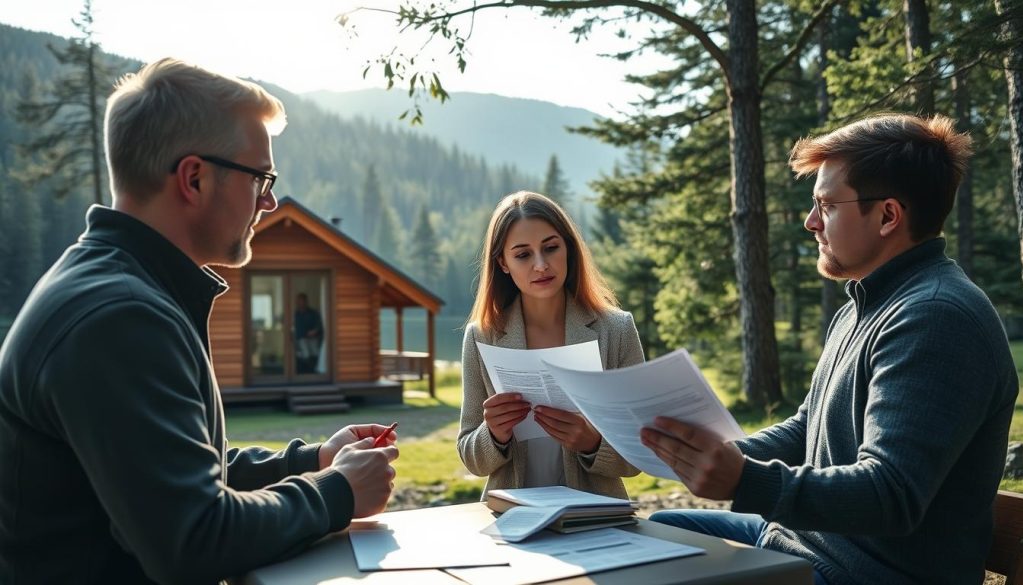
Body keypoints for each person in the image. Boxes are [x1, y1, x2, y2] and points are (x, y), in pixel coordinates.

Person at [0, 58, 399, 584]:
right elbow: (194, 538)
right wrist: (337, 492)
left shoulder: (121, 287)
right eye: (260, 177)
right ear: (194, 178)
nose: (270, 200)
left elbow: (174, 472)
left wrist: (315, 460)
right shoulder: (118, 318)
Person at [642, 113, 1019, 585]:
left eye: (826, 205)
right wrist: (717, 452)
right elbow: (810, 428)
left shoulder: (937, 318)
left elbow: (891, 494)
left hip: (862, 574)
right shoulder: (864, 304)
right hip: (804, 544)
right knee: (657, 535)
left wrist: (744, 480)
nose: (810, 221)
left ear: (887, 216)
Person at [458, 191, 644, 499]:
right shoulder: (482, 336)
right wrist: (494, 434)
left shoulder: (617, 329)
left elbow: (639, 450)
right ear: (503, 263)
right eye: (523, 255)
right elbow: (470, 457)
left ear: (568, 249)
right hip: (515, 520)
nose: (541, 265)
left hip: (596, 518)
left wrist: (592, 442)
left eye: (551, 248)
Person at [294, 292, 323, 374]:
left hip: (312, 339)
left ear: (306, 302)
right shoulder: (295, 314)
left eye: (302, 301)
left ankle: (313, 374)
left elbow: (319, 325)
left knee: (315, 356)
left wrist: (314, 331)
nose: (301, 303)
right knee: (304, 356)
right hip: (300, 340)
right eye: (299, 301)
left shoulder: (313, 313)